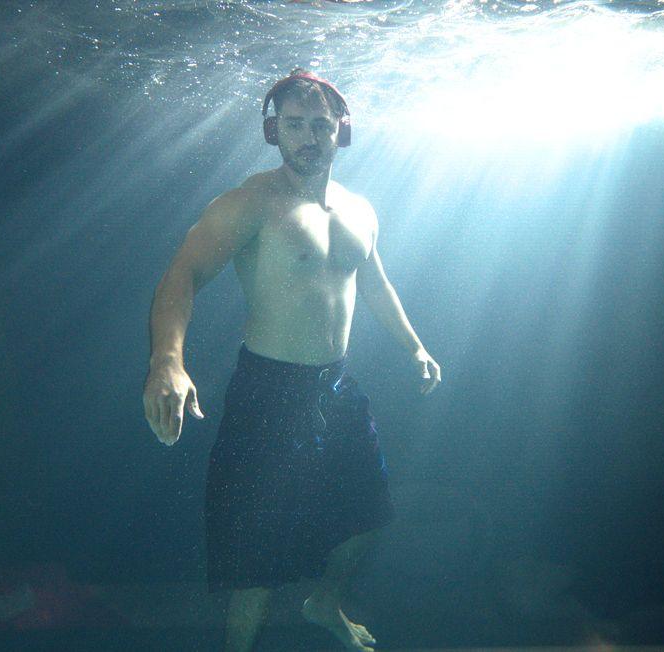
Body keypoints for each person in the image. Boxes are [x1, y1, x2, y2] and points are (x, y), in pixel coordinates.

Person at [142, 69, 441, 652]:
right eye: (295, 125)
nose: (309, 137)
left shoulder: (360, 209)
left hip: (335, 386)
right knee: (256, 557)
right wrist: (167, 362)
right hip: (268, 388)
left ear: (341, 132)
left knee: (371, 513)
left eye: (320, 125)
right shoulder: (249, 204)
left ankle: (323, 602)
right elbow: (183, 273)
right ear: (272, 131)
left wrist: (415, 345)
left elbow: (374, 282)